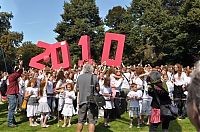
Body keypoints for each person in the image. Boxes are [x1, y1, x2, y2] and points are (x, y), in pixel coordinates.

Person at [76, 64, 99, 132]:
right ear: (91, 69)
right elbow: (98, 89)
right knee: (92, 121)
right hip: (92, 101)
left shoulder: (79, 77)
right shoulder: (94, 77)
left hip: (82, 100)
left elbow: (77, 89)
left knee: (80, 120)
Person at [6, 61, 23, 127]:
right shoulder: (12, 76)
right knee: (12, 109)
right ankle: (10, 122)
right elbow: (20, 72)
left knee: (11, 108)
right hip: (12, 94)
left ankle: (12, 121)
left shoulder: (9, 76)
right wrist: (20, 65)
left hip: (10, 93)